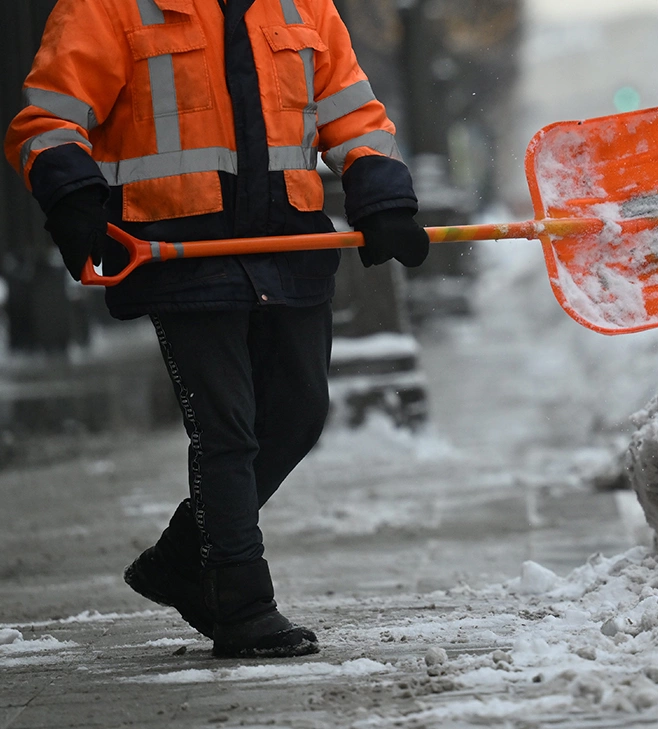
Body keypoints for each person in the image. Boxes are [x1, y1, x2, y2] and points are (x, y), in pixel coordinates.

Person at [5, 0, 430, 658]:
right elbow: (50, 118)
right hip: (180, 250)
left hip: (285, 241)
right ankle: (243, 605)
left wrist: (381, 194)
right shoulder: (108, 5)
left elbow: (351, 114)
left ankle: (181, 558)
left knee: (297, 414)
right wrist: (72, 195)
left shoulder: (303, 5)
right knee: (225, 430)